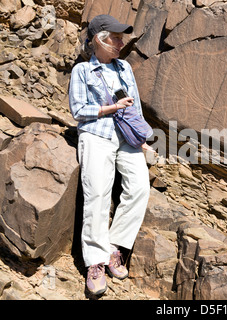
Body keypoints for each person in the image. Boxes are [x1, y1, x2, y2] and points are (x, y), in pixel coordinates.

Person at [69, 14, 150, 295]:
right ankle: (95, 262)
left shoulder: (125, 67)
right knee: (98, 196)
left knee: (140, 188)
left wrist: (140, 139)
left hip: (126, 138)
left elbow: (135, 106)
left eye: (121, 37)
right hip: (96, 134)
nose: (120, 42)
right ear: (99, 39)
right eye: (115, 37)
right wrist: (109, 109)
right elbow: (78, 110)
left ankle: (115, 246)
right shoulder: (82, 71)